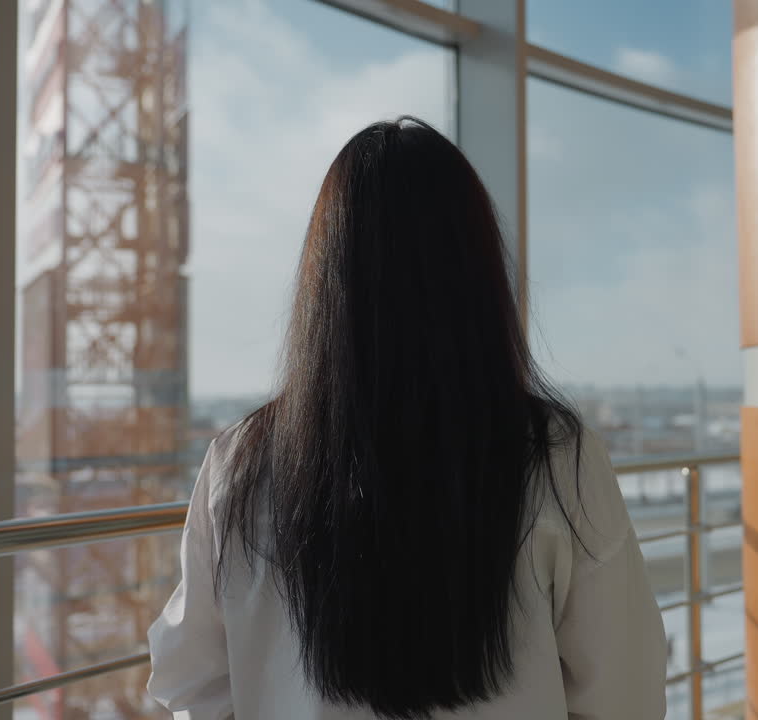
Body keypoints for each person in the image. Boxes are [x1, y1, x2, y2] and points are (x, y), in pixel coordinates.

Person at [146, 117, 667, 719]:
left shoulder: (242, 461)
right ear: (478, 276)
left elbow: (192, 683)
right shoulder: (554, 459)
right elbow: (625, 692)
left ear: (324, 283)